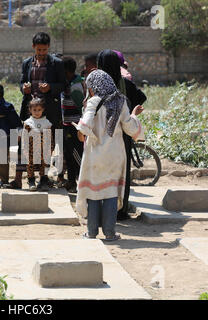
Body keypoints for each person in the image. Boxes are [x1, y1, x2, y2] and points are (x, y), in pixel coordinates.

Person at [75, 69, 145, 241]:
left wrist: (85, 134)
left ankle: (91, 232)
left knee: (93, 192)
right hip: (115, 155)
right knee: (111, 192)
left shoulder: (93, 102)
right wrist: (135, 115)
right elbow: (130, 128)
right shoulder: (121, 101)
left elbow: (84, 128)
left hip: (95, 155)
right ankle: (110, 232)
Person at [10, 31, 66, 189]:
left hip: (48, 112)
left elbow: (63, 85)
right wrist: (24, 89)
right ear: (33, 47)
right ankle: (27, 177)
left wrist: (51, 88)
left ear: (48, 47)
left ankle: (44, 178)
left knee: (47, 146)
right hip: (30, 112)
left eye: (44, 50)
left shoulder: (56, 63)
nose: (41, 53)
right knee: (26, 146)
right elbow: (21, 83)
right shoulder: (27, 63)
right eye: (38, 50)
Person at [97, 49, 147, 221]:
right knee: (121, 173)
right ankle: (120, 210)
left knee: (101, 172)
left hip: (101, 136)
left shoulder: (96, 84)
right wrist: (132, 113)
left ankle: (101, 212)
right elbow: (142, 97)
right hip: (122, 136)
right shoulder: (125, 84)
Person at [61, 57, 85, 193]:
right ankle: (71, 182)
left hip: (75, 125)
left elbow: (81, 106)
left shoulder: (75, 86)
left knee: (76, 154)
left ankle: (81, 182)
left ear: (66, 71)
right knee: (68, 154)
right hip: (67, 124)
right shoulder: (68, 83)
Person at [22, 98, 53, 191]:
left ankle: (43, 181)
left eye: (39, 110)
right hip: (31, 148)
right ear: (30, 110)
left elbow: (50, 136)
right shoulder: (28, 123)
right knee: (30, 164)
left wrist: (51, 147)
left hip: (44, 148)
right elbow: (24, 136)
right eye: (34, 110)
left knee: (44, 164)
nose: (37, 112)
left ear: (43, 110)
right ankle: (31, 181)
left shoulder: (46, 123)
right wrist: (25, 148)